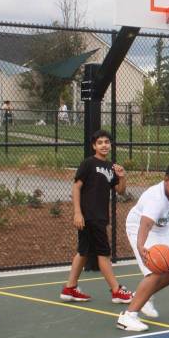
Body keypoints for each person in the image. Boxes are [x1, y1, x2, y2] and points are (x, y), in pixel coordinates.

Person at [60, 130, 134, 304]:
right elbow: (76, 187)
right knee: (103, 253)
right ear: (94, 146)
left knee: (84, 251)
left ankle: (70, 288)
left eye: (107, 142)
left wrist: (122, 177)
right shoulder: (88, 164)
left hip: (100, 216)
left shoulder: (111, 167)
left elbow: (120, 191)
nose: (104, 145)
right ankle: (116, 291)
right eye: (100, 142)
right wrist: (77, 212)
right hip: (89, 216)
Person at [116, 162, 169, 331]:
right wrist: (141, 246)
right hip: (140, 228)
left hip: (164, 228)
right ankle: (127, 317)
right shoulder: (155, 199)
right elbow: (145, 225)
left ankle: (145, 295)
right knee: (155, 272)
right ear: (166, 180)